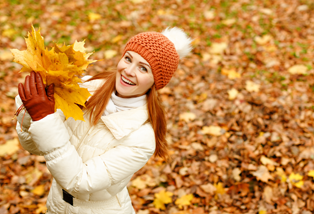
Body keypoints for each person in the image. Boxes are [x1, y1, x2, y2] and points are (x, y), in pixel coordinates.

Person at [15, 27, 192, 213]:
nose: (129, 71)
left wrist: (43, 117)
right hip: (57, 205)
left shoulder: (142, 138)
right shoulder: (86, 89)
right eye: (128, 58)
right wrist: (29, 113)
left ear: (156, 81)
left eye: (143, 68)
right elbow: (35, 147)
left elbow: (79, 181)